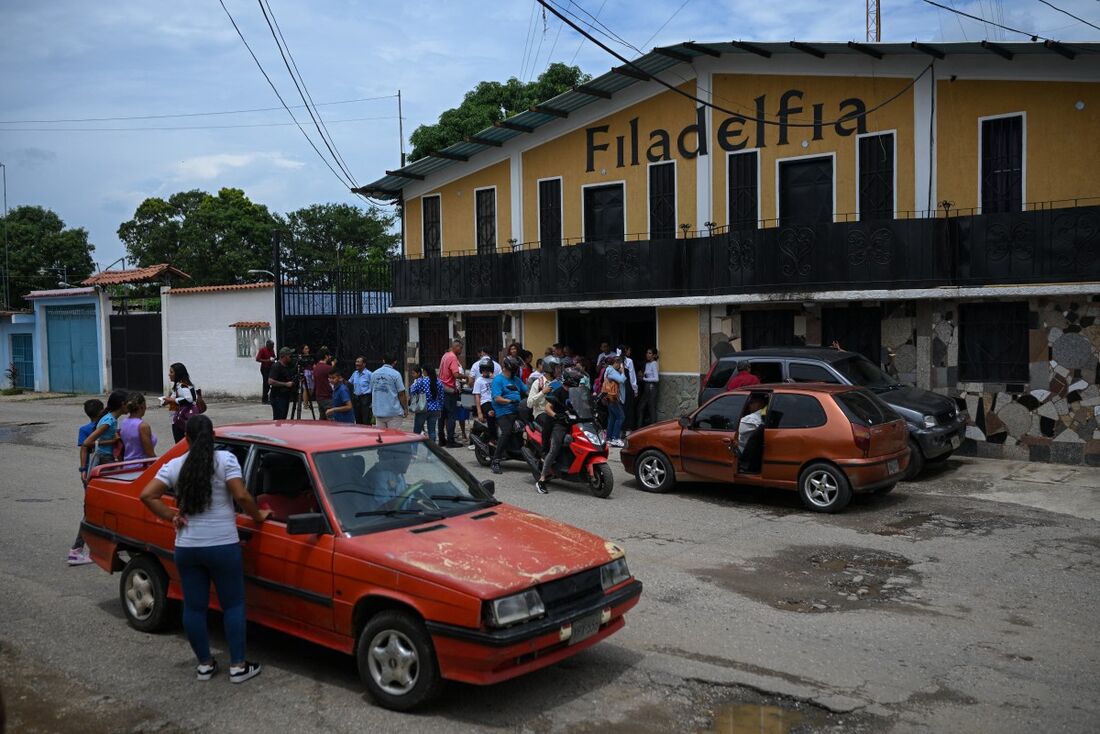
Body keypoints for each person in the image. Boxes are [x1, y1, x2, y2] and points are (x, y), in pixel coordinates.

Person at [139, 415, 269, 684]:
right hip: (222, 545)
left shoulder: (175, 465)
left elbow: (147, 495)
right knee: (233, 605)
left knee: (194, 608)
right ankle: (237, 666)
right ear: (213, 436)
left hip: (188, 546)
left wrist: (171, 515)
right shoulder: (225, 461)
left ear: (185, 438)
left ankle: (205, 665)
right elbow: (242, 496)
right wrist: (259, 516)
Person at [68, 398, 104, 565]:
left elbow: (83, 451)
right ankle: (76, 549)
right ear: (101, 411)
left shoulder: (85, 429)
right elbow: (85, 449)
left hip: (90, 473)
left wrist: (83, 470)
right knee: (90, 512)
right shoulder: (105, 427)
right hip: (98, 473)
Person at [534, 367, 574, 495]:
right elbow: (547, 407)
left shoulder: (576, 392)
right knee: (554, 449)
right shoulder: (558, 391)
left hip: (573, 423)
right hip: (559, 424)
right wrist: (556, 415)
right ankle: (542, 479)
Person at [490, 356, 528, 474]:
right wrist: (510, 401)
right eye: (514, 369)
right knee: (506, 432)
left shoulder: (516, 379)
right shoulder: (498, 380)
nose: (515, 371)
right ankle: (495, 460)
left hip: (518, 409)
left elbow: (526, 391)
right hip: (503, 411)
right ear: (506, 367)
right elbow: (497, 398)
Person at [83, 390, 128, 471]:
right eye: (129, 403)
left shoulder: (112, 418)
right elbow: (87, 442)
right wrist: (111, 441)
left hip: (108, 457)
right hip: (105, 458)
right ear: (123, 404)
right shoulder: (108, 421)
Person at [363, 444, 415, 509]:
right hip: (381, 517)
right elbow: (384, 506)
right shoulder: (381, 476)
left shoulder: (398, 473)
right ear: (395, 458)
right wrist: (409, 491)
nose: (409, 462)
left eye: (410, 458)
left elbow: (408, 499)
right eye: (406, 458)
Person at [371, 354, 408, 429]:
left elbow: (372, 390)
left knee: (382, 438)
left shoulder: (374, 374)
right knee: (394, 438)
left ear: (383, 360)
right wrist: (405, 408)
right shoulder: (396, 374)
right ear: (395, 362)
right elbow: (401, 394)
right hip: (393, 413)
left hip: (379, 412)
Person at [439, 340, 464, 447]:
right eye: (461, 348)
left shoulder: (445, 355)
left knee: (442, 416)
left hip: (441, 388)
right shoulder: (453, 357)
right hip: (449, 389)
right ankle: (450, 440)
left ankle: (441, 439)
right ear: (456, 347)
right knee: (451, 416)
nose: (461, 351)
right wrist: (466, 377)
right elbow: (456, 374)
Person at [164, 363, 198, 443]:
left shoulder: (183, 386)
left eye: (171, 372)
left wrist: (173, 400)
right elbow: (174, 397)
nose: (169, 374)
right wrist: (166, 401)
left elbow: (189, 399)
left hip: (181, 419)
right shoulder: (179, 385)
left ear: (178, 374)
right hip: (178, 418)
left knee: (181, 442)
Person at [120, 393, 157, 465]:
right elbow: (150, 455)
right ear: (142, 406)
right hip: (141, 467)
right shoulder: (143, 426)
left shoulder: (124, 422)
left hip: (127, 465)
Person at [410, 365, 444, 441]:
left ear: (425, 372)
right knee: (432, 431)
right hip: (435, 409)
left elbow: (412, 391)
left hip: (422, 408)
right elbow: (441, 397)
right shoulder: (439, 382)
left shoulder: (421, 381)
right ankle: (432, 450)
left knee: (417, 431)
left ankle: (415, 449)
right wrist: (440, 407)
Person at [737, 395, 768, 472]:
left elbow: (734, 430)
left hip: (748, 458)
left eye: (751, 402)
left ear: (760, 403)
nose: (749, 405)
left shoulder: (750, 419)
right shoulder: (765, 416)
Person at [602, 355, 627, 447]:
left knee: (612, 418)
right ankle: (615, 438)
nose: (620, 366)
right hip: (613, 398)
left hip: (609, 397)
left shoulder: (608, 370)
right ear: (616, 363)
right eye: (619, 364)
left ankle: (609, 438)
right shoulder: (611, 371)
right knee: (621, 417)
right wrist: (623, 371)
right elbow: (622, 380)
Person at [472, 359, 497, 445]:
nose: (485, 371)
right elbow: (477, 396)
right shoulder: (479, 381)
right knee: (491, 414)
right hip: (485, 402)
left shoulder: (494, 379)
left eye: (487, 369)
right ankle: (492, 438)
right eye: (483, 369)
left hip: (495, 401)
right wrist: (479, 412)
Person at [268, 348, 296, 421]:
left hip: (285, 396)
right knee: (279, 418)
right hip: (278, 397)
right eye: (289, 356)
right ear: (284, 356)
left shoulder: (288, 366)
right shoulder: (276, 366)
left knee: (283, 417)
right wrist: (285, 384)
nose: (291, 357)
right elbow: (270, 381)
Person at [637, 348, 660, 427]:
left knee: (651, 408)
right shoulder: (647, 364)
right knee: (640, 408)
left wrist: (644, 379)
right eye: (647, 352)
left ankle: (652, 428)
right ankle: (639, 427)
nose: (647, 354)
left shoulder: (654, 363)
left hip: (652, 387)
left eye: (650, 353)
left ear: (654, 355)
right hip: (646, 387)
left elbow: (656, 379)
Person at [348, 356, 373, 425]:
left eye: (358, 362)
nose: (356, 363)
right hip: (356, 399)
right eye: (356, 362)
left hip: (365, 399)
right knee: (358, 419)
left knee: (366, 420)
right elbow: (349, 383)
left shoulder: (369, 374)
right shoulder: (355, 373)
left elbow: (373, 388)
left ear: (364, 364)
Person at [620, 345, 639, 431]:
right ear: (626, 351)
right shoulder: (629, 361)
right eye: (629, 350)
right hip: (627, 385)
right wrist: (635, 389)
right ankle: (629, 428)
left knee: (621, 407)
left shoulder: (616, 360)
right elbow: (632, 376)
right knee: (629, 408)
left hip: (619, 385)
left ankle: (621, 428)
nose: (630, 352)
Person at [312, 349, 334, 419]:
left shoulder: (315, 368)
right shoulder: (329, 368)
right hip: (327, 396)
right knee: (331, 419)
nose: (330, 357)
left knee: (322, 418)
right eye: (329, 356)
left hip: (319, 396)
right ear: (326, 356)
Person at [255, 339, 275, 404]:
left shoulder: (272, 350)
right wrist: (267, 360)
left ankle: (270, 397)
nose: (272, 347)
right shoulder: (262, 350)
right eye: (271, 346)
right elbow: (257, 359)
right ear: (267, 345)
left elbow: (273, 356)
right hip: (265, 368)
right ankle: (264, 399)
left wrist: (274, 359)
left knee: (270, 383)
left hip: (271, 368)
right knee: (266, 384)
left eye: (273, 346)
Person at [298, 345, 316, 411]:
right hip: (306, 372)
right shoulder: (301, 357)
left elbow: (314, 364)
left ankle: (308, 402)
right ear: (303, 350)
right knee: (306, 388)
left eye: (308, 348)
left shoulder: (311, 357)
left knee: (311, 389)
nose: (307, 350)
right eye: (305, 349)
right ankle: (305, 404)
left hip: (311, 372)